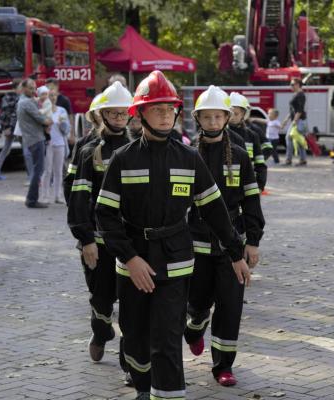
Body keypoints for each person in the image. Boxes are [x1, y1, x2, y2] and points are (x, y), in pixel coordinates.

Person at [94, 70, 250, 400]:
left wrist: (236, 252)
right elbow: (105, 214)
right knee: (135, 341)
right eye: (157, 109)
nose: (166, 115)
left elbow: (214, 211)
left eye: (170, 109)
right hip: (133, 264)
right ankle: (143, 385)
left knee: (166, 339)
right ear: (140, 114)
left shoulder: (190, 158)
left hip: (176, 263)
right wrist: (130, 258)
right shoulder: (122, 160)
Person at [185, 86, 264, 387]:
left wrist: (253, 240)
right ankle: (194, 326)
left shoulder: (241, 157)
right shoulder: (188, 155)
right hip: (196, 245)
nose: (214, 122)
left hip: (233, 246)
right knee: (198, 302)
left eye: (219, 116)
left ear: (228, 118)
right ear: (199, 119)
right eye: (208, 117)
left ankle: (223, 367)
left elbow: (252, 201)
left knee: (230, 307)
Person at [67, 82, 133, 374]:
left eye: (124, 114)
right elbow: (78, 196)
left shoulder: (138, 148)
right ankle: (101, 328)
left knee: (132, 303)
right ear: (102, 115)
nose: (119, 119)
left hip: (130, 240)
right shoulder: (88, 151)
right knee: (102, 296)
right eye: (114, 114)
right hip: (97, 239)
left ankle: (132, 363)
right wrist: (86, 239)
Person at [64, 93, 104, 203]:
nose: (104, 116)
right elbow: (70, 180)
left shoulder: (128, 143)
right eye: (100, 112)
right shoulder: (82, 144)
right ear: (93, 116)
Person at [16, 78, 50, 208]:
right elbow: (42, 119)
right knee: (38, 170)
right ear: (23, 88)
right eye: (30, 88)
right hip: (35, 139)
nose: (34, 90)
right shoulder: (26, 103)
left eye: (35, 88)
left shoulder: (24, 101)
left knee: (37, 169)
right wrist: (48, 121)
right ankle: (31, 199)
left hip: (32, 139)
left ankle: (32, 198)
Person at [227, 93, 267, 191]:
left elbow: (260, 163)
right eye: (230, 113)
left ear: (244, 114)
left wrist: (260, 185)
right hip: (226, 184)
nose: (232, 117)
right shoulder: (221, 134)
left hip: (247, 182)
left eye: (236, 114)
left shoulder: (252, 136)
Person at [41, 87, 70, 204]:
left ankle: (58, 196)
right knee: (47, 171)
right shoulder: (43, 110)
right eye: (50, 95)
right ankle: (45, 196)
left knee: (58, 171)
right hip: (48, 143)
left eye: (54, 95)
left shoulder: (62, 110)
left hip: (60, 143)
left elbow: (66, 129)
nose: (52, 98)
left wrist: (62, 123)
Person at [0, 78, 22, 181]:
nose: (22, 88)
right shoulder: (9, 98)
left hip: (15, 127)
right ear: (15, 88)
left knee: (7, 149)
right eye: (20, 86)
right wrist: (6, 127)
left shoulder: (17, 97)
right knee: (25, 150)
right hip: (12, 127)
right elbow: (4, 114)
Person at [281, 78, 308, 166]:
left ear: (297, 84)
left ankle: (289, 160)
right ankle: (302, 159)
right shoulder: (296, 94)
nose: (291, 86)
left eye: (292, 84)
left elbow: (299, 110)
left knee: (289, 138)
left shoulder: (300, 95)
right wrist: (286, 120)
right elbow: (293, 110)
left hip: (299, 121)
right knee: (299, 140)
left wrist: (294, 121)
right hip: (298, 120)